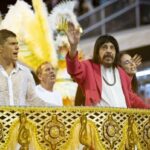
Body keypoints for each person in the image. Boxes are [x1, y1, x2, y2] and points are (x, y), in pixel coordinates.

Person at [65, 22, 149, 109]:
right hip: (98, 120)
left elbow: (131, 98)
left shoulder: (122, 73)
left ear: (116, 53)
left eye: (112, 48)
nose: (108, 51)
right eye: (104, 47)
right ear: (97, 52)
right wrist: (73, 47)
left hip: (123, 120)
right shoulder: (88, 67)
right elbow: (73, 70)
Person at [0, 29, 49, 106]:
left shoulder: (25, 72)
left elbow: (33, 100)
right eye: (12, 44)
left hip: (21, 118)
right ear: (1, 48)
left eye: (17, 44)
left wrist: (60, 110)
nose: (17, 47)